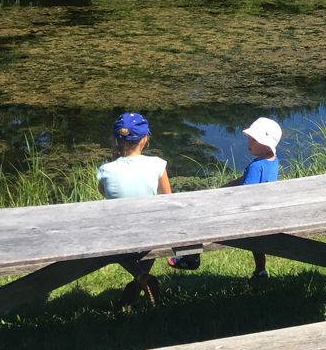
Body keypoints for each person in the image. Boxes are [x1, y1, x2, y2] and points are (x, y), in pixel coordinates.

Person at [168, 117, 282, 278]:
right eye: (249, 138)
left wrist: (221, 202)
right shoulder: (272, 161)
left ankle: (192, 257)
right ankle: (260, 270)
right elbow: (246, 181)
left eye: (253, 139)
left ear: (265, 143)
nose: (248, 142)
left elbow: (244, 196)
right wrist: (227, 186)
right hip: (263, 214)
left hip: (249, 218)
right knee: (258, 242)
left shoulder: (256, 166)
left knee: (202, 217)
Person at [97, 111, 171, 311]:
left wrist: (114, 160)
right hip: (151, 232)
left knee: (115, 233)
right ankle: (141, 281)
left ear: (114, 140)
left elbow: (104, 192)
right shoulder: (157, 164)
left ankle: (140, 279)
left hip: (121, 234)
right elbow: (167, 198)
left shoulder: (106, 169)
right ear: (144, 140)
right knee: (156, 230)